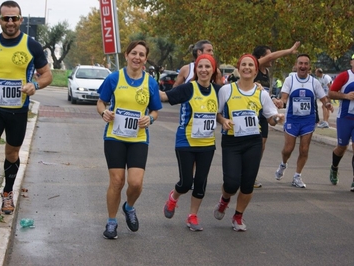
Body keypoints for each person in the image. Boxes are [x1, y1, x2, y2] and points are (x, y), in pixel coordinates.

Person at [0, 0, 52, 220]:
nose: (10, 22)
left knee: (12, 153)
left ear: (20, 20)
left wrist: (34, 85)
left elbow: (47, 75)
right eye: (6, 18)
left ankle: (7, 193)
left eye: (14, 18)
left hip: (18, 110)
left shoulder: (31, 46)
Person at [97, 40, 162, 239]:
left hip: (138, 138)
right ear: (126, 55)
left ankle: (129, 207)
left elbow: (155, 110)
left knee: (135, 183)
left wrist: (149, 118)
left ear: (145, 59)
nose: (137, 57)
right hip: (114, 137)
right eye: (134, 53)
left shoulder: (150, 82)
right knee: (117, 181)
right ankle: (111, 222)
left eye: (142, 55)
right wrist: (104, 113)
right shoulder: (114, 78)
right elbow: (101, 102)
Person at [213, 54, 284, 231]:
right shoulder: (226, 90)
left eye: (250, 65)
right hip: (232, 142)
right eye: (243, 64)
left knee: (247, 183)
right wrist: (223, 121)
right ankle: (224, 199)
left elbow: (271, 118)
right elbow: (217, 113)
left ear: (255, 70)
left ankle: (238, 216)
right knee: (231, 183)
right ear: (238, 68)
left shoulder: (261, 93)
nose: (247, 67)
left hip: (253, 142)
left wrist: (277, 119)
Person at [160, 54, 221, 231]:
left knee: (200, 182)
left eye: (207, 67)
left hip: (207, 144)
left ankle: (192, 216)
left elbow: (237, 95)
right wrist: (145, 85)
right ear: (196, 70)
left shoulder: (219, 91)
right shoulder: (188, 88)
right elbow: (164, 97)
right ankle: (173, 197)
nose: (203, 70)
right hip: (185, 142)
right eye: (200, 67)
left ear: (213, 70)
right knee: (186, 183)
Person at [274, 54, 333, 188]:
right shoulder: (290, 80)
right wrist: (280, 102)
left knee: (304, 149)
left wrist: (328, 104)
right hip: (292, 120)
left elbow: (323, 98)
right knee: (288, 149)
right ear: (296, 65)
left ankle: (297, 176)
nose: (303, 66)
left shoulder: (314, 82)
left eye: (306, 64)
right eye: (300, 63)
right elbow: (284, 98)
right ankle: (283, 164)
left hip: (308, 120)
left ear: (309, 67)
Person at [252, 42, 300, 188]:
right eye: (269, 56)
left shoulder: (267, 73)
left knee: (261, 145)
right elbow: (273, 56)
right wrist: (289, 50)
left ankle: (251, 175)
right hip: (249, 112)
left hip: (263, 114)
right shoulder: (254, 67)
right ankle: (242, 172)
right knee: (249, 143)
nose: (272, 59)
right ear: (261, 57)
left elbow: (264, 92)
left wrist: (274, 100)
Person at [328, 54, 354, 191]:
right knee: (341, 148)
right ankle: (334, 167)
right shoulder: (345, 76)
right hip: (345, 118)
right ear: (351, 62)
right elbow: (331, 93)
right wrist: (346, 96)